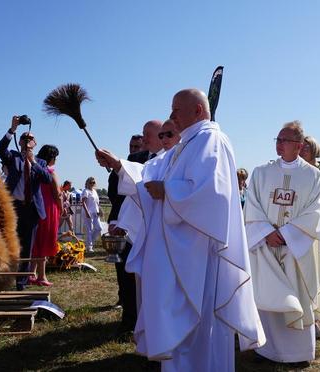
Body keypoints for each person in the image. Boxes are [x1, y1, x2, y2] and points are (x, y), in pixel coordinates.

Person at [96, 88, 265, 372]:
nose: (172, 116)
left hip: (199, 254)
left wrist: (169, 191)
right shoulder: (188, 143)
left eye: (176, 109)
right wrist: (119, 166)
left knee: (199, 323)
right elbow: (152, 173)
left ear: (198, 110)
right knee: (181, 322)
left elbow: (214, 195)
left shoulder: (212, 140)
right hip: (180, 251)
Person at [244, 121, 320, 365]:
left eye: (285, 140)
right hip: (266, 245)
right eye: (278, 139)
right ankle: (266, 350)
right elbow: (252, 205)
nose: (279, 144)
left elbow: (317, 210)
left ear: (299, 145)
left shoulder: (312, 175)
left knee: (297, 296)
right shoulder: (261, 172)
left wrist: (289, 234)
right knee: (267, 294)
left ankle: (298, 354)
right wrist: (265, 232)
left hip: (295, 248)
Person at [106, 121, 163, 335]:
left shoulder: (170, 160)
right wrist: (118, 221)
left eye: (148, 134)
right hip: (130, 228)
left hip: (152, 231)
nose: (144, 139)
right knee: (127, 277)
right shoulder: (134, 160)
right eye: (143, 134)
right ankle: (129, 321)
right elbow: (120, 195)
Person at [0, 116, 53, 290]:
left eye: (31, 138)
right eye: (24, 138)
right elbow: (1, 149)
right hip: (14, 208)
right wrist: (12, 129)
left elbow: (47, 179)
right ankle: (4, 279)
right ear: (20, 141)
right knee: (9, 242)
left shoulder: (41, 162)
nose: (28, 140)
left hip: (31, 209)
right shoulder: (12, 157)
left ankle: (21, 283)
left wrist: (33, 162)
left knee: (27, 246)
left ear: (35, 143)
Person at [30, 145, 62, 286]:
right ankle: (42, 276)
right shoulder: (51, 172)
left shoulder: (34, 170)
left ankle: (31, 273)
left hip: (36, 208)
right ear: (52, 158)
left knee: (36, 242)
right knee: (44, 242)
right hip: (49, 209)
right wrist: (62, 209)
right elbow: (57, 194)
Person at [81, 177, 102, 252]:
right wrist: (87, 212)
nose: (92, 184)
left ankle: (89, 244)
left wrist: (100, 210)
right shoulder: (85, 191)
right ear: (87, 183)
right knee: (89, 230)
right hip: (88, 212)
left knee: (99, 228)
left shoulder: (95, 191)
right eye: (90, 182)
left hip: (95, 213)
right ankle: (89, 247)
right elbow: (83, 202)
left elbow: (97, 203)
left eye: (93, 182)